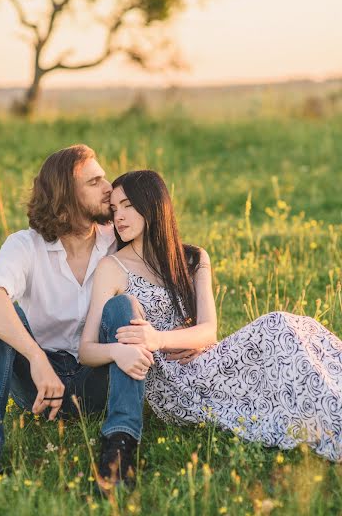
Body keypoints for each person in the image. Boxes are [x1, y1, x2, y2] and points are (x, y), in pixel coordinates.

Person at [79, 169, 342, 488]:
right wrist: (125, 349)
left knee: (294, 332)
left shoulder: (192, 258)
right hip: (173, 385)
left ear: (152, 205)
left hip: (208, 362)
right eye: (114, 209)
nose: (118, 216)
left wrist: (158, 337)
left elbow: (209, 332)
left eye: (127, 205)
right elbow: (86, 350)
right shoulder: (113, 267)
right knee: (276, 327)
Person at [0, 144, 148, 483]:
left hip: (98, 377)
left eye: (105, 178)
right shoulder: (26, 245)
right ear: (65, 195)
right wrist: (36, 359)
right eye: (94, 182)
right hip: (38, 385)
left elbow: (167, 254)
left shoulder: (118, 238)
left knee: (121, 307)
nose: (109, 188)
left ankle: (119, 446)